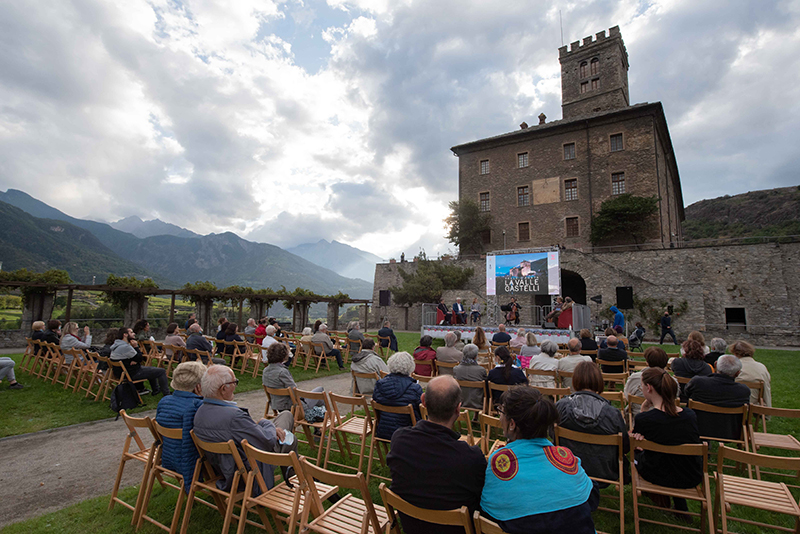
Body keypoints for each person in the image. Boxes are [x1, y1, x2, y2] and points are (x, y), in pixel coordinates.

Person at [481, 387, 598, 533]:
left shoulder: (499, 462)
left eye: (501, 413)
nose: (500, 418)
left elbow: (488, 510)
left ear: (512, 424)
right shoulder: (566, 458)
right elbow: (592, 499)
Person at [388, 376, 487, 534]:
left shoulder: (399, 440)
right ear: (458, 408)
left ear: (423, 401)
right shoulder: (471, 458)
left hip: (412, 527)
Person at [193, 365, 297, 492]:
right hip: (249, 471)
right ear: (223, 388)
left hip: (225, 469)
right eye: (234, 382)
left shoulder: (200, 412)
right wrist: (264, 422)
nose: (236, 386)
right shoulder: (234, 417)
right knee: (288, 437)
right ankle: (295, 480)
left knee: (285, 416)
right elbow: (267, 440)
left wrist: (262, 426)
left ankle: (295, 476)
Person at [630, 367, 703, 514]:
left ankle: (654, 495)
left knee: (636, 453)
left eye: (641, 386)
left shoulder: (645, 419)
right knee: (672, 455)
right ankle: (680, 506)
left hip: (657, 475)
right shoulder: (690, 416)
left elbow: (634, 445)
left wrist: (643, 411)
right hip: (690, 475)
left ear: (649, 388)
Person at [556, 362, 630, 482]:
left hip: (568, 467)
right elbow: (625, 447)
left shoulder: (560, 407)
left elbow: (553, 435)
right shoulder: (612, 414)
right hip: (604, 471)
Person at [155, 361, 206, 491]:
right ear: (199, 386)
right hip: (193, 463)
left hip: (169, 457)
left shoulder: (164, 401)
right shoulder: (197, 406)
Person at [685, 355, 750, 440]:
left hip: (698, 428)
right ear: (738, 373)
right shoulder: (743, 391)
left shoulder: (698, 382)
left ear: (715, 365)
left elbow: (686, 394)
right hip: (730, 433)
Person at [372, 352, 423, 440]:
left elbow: (376, 405)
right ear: (411, 367)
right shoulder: (414, 388)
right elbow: (421, 411)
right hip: (409, 433)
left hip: (384, 431)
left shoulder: (380, 385)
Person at [262, 343, 323, 414]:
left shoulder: (265, 370)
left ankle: (322, 417)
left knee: (318, 400)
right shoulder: (282, 372)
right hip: (291, 406)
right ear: (284, 355)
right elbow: (294, 391)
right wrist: (304, 397)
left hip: (277, 405)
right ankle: (325, 417)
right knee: (320, 390)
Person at [110, 327, 170, 396]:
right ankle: (166, 394)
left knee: (152, 369)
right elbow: (140, 358)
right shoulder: (125, 347)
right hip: (132, 373)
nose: (134, 334)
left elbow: (132, 358)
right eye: (131, 332)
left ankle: (156, 390)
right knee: (161, 371)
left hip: (122, 373)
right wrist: (136, 347)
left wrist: (134, 359)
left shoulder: (116, 345)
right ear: (125, 335)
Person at [624, 347, 675, 418]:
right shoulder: (672, 381)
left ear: (647, 362)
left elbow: (627, 396)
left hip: (637, 415)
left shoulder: (635, 378)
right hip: (667, 417)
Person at [731, 340, 772, 407]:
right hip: (755, 406)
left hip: (735, 405)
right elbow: (766, 389)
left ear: (735, 353)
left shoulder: (732, 367)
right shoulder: (761, 367)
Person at [453, 344, 487, 411]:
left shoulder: (456, 369)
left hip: (461, 401)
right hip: (478, 402)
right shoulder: (481, 370)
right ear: (476, 356)